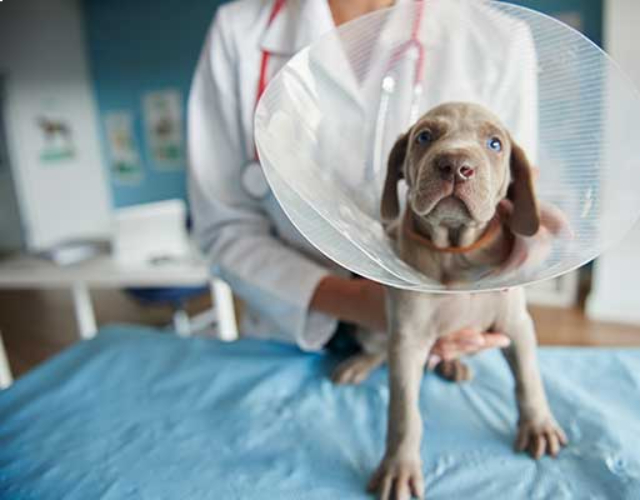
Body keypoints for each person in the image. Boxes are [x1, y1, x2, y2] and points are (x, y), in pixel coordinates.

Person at [188, 0, 519, 361]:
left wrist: (476, 299)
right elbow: (224, 228)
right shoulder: (239, 32)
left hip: (441, 342)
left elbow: (514, 210)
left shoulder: (499, 39)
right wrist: (364, 304)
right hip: (290, 339)